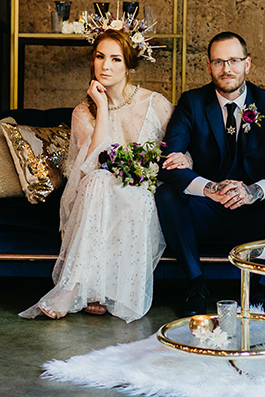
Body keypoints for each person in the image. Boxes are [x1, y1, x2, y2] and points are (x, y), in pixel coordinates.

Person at [20, 24, 174, 322]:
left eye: (116, 59)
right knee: (101, 179)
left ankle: (102, 290)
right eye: (100, 56)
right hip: (94, 191)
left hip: (139, 194)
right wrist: (102, 106)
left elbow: (180, 153)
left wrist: (150, 174)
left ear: (130, 65)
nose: (105, 65)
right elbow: (91, 163)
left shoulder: (156, 104)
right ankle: (76, 287)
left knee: (136, 199)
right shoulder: (83, 111)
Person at [157, 31, 265, 316]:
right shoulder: (192, 102)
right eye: (218, 62)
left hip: (256, 212)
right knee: (166, 194)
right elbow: (168, 160)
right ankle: (196, 284)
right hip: (208, 211)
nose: (226, 69)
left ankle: (262, 288)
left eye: (233, 61)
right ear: (208, 66)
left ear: (247, 64)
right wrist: (210, 189)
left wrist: (252, 193)